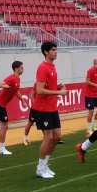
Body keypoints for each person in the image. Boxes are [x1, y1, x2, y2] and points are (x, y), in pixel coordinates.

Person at [32, 41, 68, 178]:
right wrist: (58, 93)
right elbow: (39, 90)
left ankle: (45, 165)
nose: (56, 52)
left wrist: (56, 88)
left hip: (52, 107)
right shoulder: (43, 67)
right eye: (53, 49)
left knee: (57, 136)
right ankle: (40, 168)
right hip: (42, 108)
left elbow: (47, 87)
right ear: (46, 52)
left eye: (56, 49)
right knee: (48, 137)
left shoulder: (52, 66)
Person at [0, 60, 28, 155]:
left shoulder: (17, 79)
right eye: (21, 67)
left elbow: (16, 91)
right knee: (4, 125)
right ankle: (1, 149)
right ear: (16, 69)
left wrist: (22, 100)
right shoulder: (11, 78)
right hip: (0, 103)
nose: (23, 69)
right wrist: (3, 85)